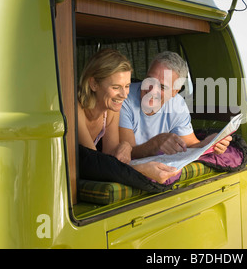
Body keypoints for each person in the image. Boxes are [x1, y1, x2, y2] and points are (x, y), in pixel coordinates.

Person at [77, 48, 179, 184]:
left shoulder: (111, 110)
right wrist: (141, 169)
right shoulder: (75, 108)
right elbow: (96, 164)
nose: (124, 95)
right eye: (115, 87)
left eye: (127, 86)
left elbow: (110, 157)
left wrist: (126, 145)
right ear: (94, 84)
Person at [119, 51, 231, 159]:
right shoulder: (124, 98)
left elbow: (190, 144)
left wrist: (208, 144)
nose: (152, 90)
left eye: (162, 87)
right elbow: (128, 152)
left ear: (175, 92)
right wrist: (156, 143)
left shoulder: (177, 104)